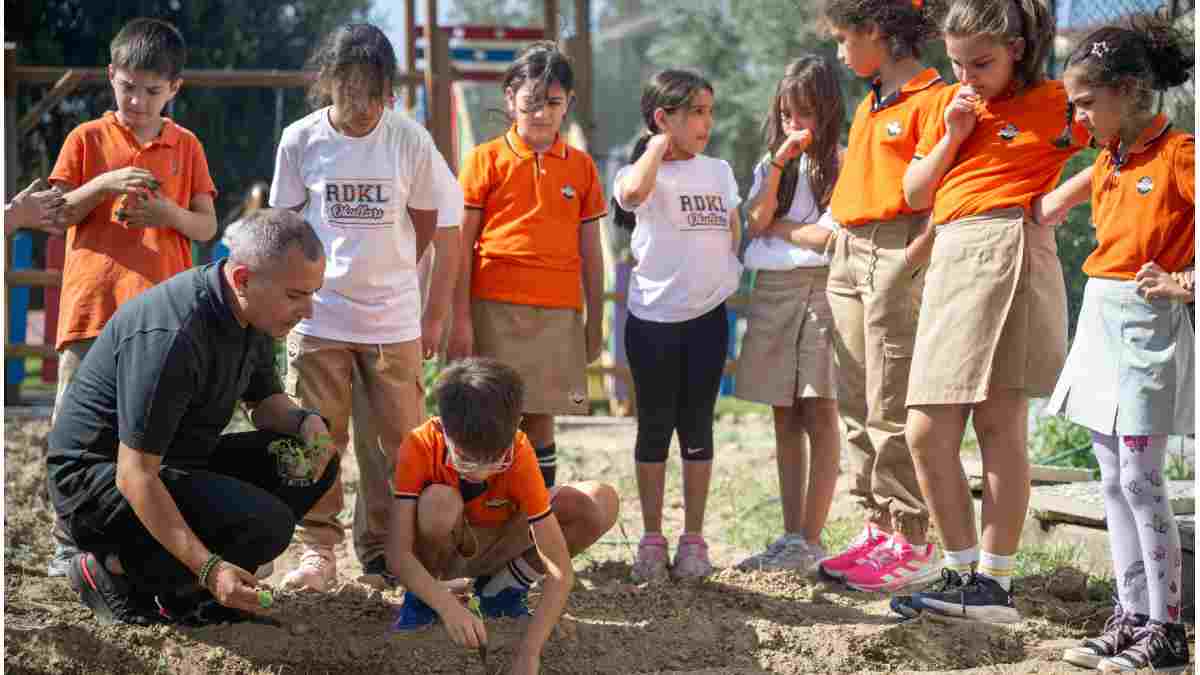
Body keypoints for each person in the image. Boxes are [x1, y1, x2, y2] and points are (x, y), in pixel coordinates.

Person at [890, 0, 1095, 623]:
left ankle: (991, 584)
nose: (967, 75)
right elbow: (914, 191)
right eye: (956, 63)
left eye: (981, 62)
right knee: (926, 432)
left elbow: (1130, 140)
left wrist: (1061, 196)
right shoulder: (955, 107)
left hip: (1007, 246)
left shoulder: (1060, 100)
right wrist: (953, 131)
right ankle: (961, 570)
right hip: (954, 254)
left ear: (1018, 49)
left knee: (999, 426)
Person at [46, 209, 335, 626]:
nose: (307, 310)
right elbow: (135, 475)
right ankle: (113, 571)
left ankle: (185, 589)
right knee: (265, 524)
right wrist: (210, 569)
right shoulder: (174, 335)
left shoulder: (251, 312)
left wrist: (308, 424)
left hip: (170, 463)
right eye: (295, 296)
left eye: (313, 293)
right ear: (242, 279)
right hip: (98, 484)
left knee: (303, 458)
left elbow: (267, 402)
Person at [269, 23, 463, 592]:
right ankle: (317, 552)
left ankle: (382, 554)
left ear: (390, 92)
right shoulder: (300, 140)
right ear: (327, 84)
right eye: (348, 93)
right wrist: (287, 305)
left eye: (373, 95)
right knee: (316, 434)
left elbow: (441, 226)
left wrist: (432, 313)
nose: (360, 108)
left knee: (398, 443)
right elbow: (285, 227)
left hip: (392, 320)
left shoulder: (410, 141)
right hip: (320, 316)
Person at [45, 17, 218, 577]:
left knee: (148, 434)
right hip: (92, 313)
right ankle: (67, 542)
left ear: (174, 90)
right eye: (128, 87)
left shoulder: (186, 145)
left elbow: (205, 227)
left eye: (151, 90)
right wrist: (105, 183)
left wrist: (165, 213)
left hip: (162, 321)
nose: (138, 100)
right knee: (75, 431)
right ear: (110, 77)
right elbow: (57, 212)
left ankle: (141, 541)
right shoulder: (85, 139)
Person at [1049, 20, 1193, 673]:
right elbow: (1045, 207)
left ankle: (1168, 628)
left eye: (1084, 102)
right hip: (1101, 320)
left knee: (1140, 475)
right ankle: (1131, 612)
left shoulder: (1180, 154)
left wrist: (1185, 281)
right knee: (1110, 475)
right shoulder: (1108, 158)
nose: (1077, 115)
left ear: (1130, 90)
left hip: (1147, 327)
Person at [815, 0, 948, 592]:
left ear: (877, 32)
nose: (841, 52)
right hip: (847, 249)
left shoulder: (936, 98)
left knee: (891, 401)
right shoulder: (872, 101)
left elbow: (939, 193)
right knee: (855, 399)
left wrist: (913, 258)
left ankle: (913, 538)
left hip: (896, 251)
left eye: (846, 39)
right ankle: (876, 526)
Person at [386, 357, 619, 675]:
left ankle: (501, 592)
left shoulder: (520, 451)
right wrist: (446, 605)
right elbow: (397, 555)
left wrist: (529, 652)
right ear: (444, 426)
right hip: (446, 557)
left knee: (598, 501)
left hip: (497, 542)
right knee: (438, 502)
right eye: (467, 460)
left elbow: (560, 569)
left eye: (495, 459)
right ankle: (424, 599)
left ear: (517, 425)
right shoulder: (420, 444)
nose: (481, 471)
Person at [447, 41, 608, 489]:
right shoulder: (483, 160)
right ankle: (483, 514)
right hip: (493, 307)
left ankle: (537, 518)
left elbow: (592, 254)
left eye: (553, 102)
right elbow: (462, 245)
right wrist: (459, 319)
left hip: (558, 311)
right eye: (531, 101)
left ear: (568, 104)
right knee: (491, 415)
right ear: (510, 98)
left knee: (541, 417)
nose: (541, 113)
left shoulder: (582, 167)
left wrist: (594, 321)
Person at [612, 69, 742, 582]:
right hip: (652, 323)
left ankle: (693, 539)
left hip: (708, 320)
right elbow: (632, 195)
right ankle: (651, 538)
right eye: (695, 112)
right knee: (654, 427)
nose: (706, 122)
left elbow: (731, 233)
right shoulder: (642, 170)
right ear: (664, 118)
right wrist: (658, 146)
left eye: (709, 111)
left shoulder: (720, 171)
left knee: (697, 426)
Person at [733, 56, 844, 575]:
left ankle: (813, 537)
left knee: (819, 410)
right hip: (772, 289)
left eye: (803, 114)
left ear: (826, 111)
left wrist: (782, 229)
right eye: (784, 115)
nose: (793, 126)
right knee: (783, 413)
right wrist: (778, 163)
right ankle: (790, 534)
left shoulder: (844, 162)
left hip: (823, 290)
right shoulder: (767, 167)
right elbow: (753, 224)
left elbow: (827, 238)